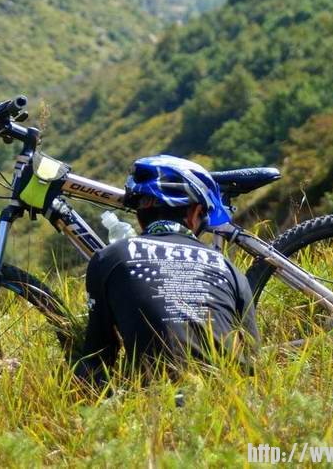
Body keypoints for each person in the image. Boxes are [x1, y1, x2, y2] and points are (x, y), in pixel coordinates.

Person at [76, 155, 258, 385]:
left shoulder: (110, 257)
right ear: (195, 212)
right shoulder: (227, 267)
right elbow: (251, 356)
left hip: (159, 406)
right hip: (234, 404)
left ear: (140, 217)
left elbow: (97, 359)